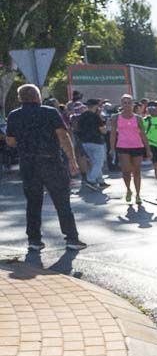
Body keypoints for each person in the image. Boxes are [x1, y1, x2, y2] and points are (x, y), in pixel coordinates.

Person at [4, 84, 85, 251]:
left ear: (20, 98)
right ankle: (71, 238)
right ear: (37, 96)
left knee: (33, 203)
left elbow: (10, 142)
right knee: (62, 202)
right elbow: (62, 136)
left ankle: (34, 240)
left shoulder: (13, 115)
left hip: (28, 163)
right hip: (50, 161)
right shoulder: (49, 112)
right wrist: (72, 160)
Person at [110, 94, 149, 205]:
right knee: (126, 170)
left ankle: (138, 194)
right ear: (121, 104)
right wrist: (112, 148)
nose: (127, 105)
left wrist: (148, 149)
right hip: (123, 146)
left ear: (132, 104)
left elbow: (143, 134)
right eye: (125, 103)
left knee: (137, 171)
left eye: (129, 103)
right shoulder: (116, 117)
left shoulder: (138, 118)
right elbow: (113, 134)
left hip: (137, 146)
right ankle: (128, 189)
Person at [75, 99, 108, 192]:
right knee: (99, 162)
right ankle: (91, 180)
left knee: (94, 162)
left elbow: (78, 128)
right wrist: (105, 128)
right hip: (97, 141)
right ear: (96, 106)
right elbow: (103, 130)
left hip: (85, 142)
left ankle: (101, 181)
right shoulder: (96, 117)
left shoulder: (82, 116)